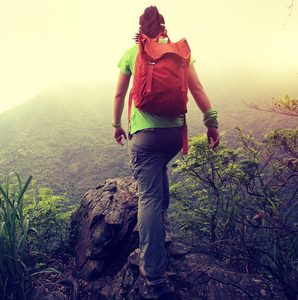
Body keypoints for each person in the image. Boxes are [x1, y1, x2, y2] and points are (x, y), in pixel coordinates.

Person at [112, 6, 220, 286]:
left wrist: (116, 125)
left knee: (147, 196)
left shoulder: (132, 53)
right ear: (163, 28)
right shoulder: (179, 52)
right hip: (173, 134)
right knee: (158, 179)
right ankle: (161, 240)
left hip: (145, 137)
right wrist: (211, 122)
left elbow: (120, 94)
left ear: (139, 31)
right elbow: (197, 89)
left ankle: (154, 271)